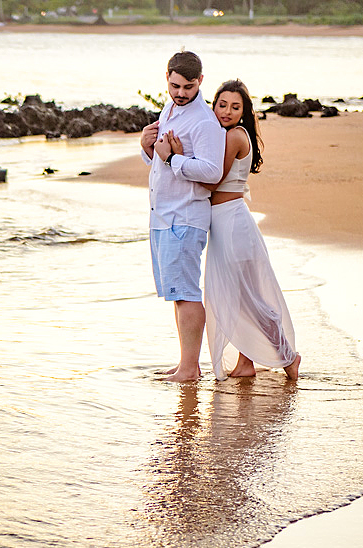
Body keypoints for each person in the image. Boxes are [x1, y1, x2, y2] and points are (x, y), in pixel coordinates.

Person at [165, 80, 301, 381]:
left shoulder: (235, 136)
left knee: (250, 298)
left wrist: (174, 157)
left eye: (235, 107)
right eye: (221, 104)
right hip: (225, 222)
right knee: (239, 296)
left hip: (232, 224)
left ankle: (289, 356)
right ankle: (246, 363)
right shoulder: (223, 136)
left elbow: (212, 181)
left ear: (244, 112)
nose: (226, 111)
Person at [140, 51, 226, 382]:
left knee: (187, 293)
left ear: (200, 82)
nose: (181, 92)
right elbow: (160, 160)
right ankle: (184, 364)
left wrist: (174, 158)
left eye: (188, 86)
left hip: (185, 217)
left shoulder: (204, 120)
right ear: (167, 77)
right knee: (177, 294)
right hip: (163, 216)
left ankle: (190, 368)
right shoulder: (172, 109)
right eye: (175, 85)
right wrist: (147, 148)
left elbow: (212, 172)